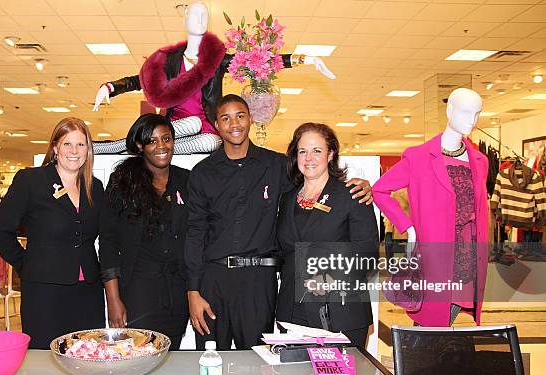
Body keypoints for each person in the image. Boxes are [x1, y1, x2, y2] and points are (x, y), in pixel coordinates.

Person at [185, 94, 373, 350]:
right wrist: (193, 291)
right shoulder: (202, 172)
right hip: (213, 280)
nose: (234, 124)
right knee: (208, 358)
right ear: (216, 125)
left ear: (250, 119)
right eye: (225, 118)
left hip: (258, 280)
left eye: (240, 116)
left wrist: (365, 185)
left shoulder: (277, 166)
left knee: (256, 363)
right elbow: (195, 232)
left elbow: (317, 182)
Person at [91, 1, 335, 155]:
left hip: (204, 126)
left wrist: (302, 59)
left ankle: (145, 149)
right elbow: (139, 80)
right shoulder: (170, 61)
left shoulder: (215, 60)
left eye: (204, 17)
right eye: (195, 16)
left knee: (210, 143)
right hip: (175, 124)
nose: (200, 21)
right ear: (184, 20)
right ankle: (117, 146)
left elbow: (256, 60)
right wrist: (111, 87)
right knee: (190, 124)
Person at [373, 88, 489, 327]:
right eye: (466, 112)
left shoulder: (480, 160)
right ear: (449, 110)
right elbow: (380, 190)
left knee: (449, 316)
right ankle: (419, 361)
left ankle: (430, 360)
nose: (472, 120)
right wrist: (410, 228)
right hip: (434, 252)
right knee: (431, 320)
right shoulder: (418, 157)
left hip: (468, 254)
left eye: (477, 113)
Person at [0, 117, 105, 349]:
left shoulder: (96, 187)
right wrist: (26, 264)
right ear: (55, 147)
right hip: (44, 293)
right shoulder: (31, 181)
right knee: (45, 362)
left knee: (87, 356)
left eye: (81, 145)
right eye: (67, 144)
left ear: (88, 150)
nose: (74, 151)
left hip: (88, 293)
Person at [276, 123, 379, 347]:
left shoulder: (352, 195)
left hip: (339, 311)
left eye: (317, 151)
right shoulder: (287, 199)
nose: (309, 158)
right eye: (302, 151)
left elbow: (367, 255)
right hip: (292, 311)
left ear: (331, 154)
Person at [99, 113, 189, 351]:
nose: (161, 146)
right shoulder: (123, 181)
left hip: (177, 292)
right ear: (140, 145)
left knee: (172, 357)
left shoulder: (187, 180)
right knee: (139, 356)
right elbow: (107, 242)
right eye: (152, 140)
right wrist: (113, 299)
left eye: (166, 139)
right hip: (138, 290)